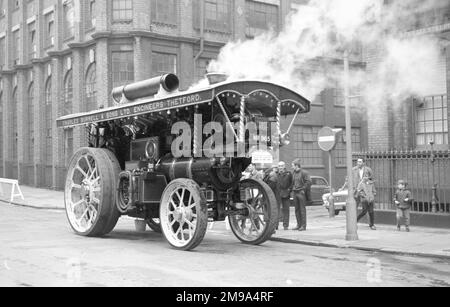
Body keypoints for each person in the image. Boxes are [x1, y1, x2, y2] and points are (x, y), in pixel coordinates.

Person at [291, 159, 311, 231]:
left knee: (302, 209)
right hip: (295, 192)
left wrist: (303, 189)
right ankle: (298, 225)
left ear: (296, 166)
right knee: (296, 210)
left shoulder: (304, 173)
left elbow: (308, 182)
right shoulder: (293, 173)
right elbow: (292, 182)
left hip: (301, 193)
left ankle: (303, 226)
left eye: (292, 166)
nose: (292, 167)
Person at [277, 162, 293, 231]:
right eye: (279, 166)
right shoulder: (276, 174)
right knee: (276, 210)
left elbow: (292, 183)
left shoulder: (289, 174)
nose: (280, 167)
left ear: (284, 166)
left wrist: (289, 190)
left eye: (282, 166)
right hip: (278, 194)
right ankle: (275, 225)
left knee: (286, 210)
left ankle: (285, 225)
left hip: (286, 194)